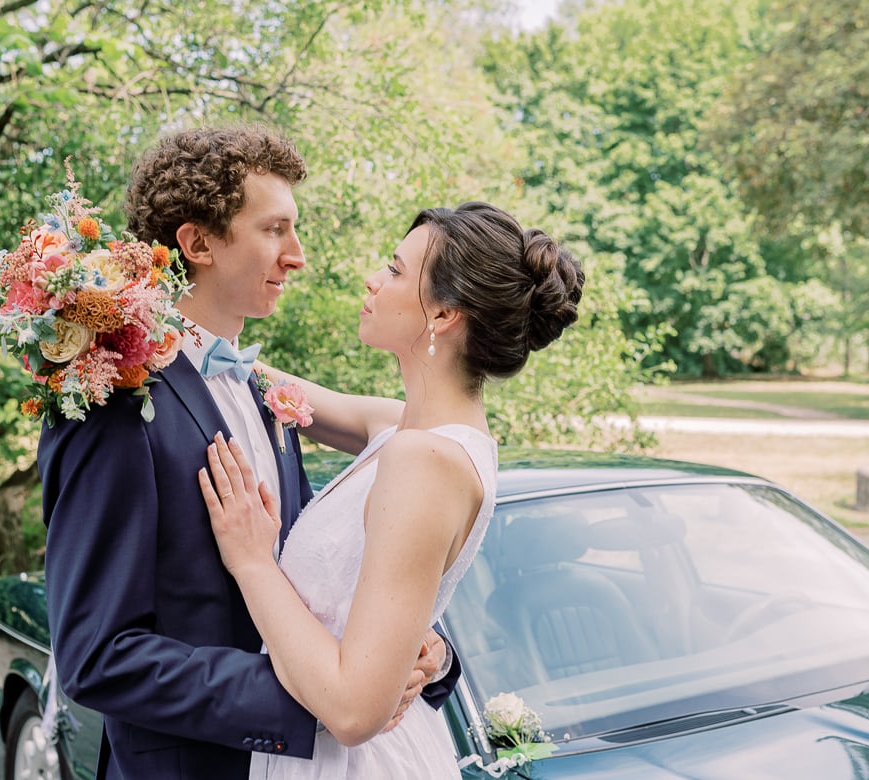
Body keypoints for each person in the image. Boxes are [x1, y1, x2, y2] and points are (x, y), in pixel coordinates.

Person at [39, 124, 457, 780]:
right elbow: (96, 654)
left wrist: (417, 654)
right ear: (197, 242)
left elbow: (313, 576)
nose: (298, 256)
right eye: (274, 230)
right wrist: (308, 699)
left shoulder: (265, 389)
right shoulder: (116, 403)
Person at [199, 201, 585, 778]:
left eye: (397, 271)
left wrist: (253, 563)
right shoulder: (410, 430)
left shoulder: (423, 459)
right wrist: (159, 322)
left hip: (349, 760)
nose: (373, 280)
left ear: (446, 313)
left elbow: (355, 710)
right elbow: (260, 379)